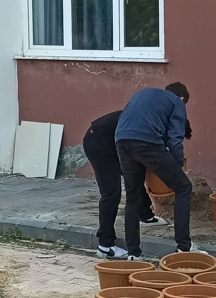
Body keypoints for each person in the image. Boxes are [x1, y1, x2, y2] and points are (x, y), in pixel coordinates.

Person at [116, 82, 203, 258]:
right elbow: (174, 139)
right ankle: (184, 247)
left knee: (133, 197)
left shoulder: (145, 93)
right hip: (147, 142)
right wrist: (178, 166)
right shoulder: (177, 102)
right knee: (183, 187)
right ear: (182, 98)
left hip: (121, 140)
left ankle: (134, 254)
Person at [83, 109, 175, 259]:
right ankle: (105, 245)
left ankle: (145, 215)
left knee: (134, 178)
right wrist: (155, 199)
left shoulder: (153, 122)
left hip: (113, 141)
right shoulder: (151, 127)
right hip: (98, 141)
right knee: (111, 193)